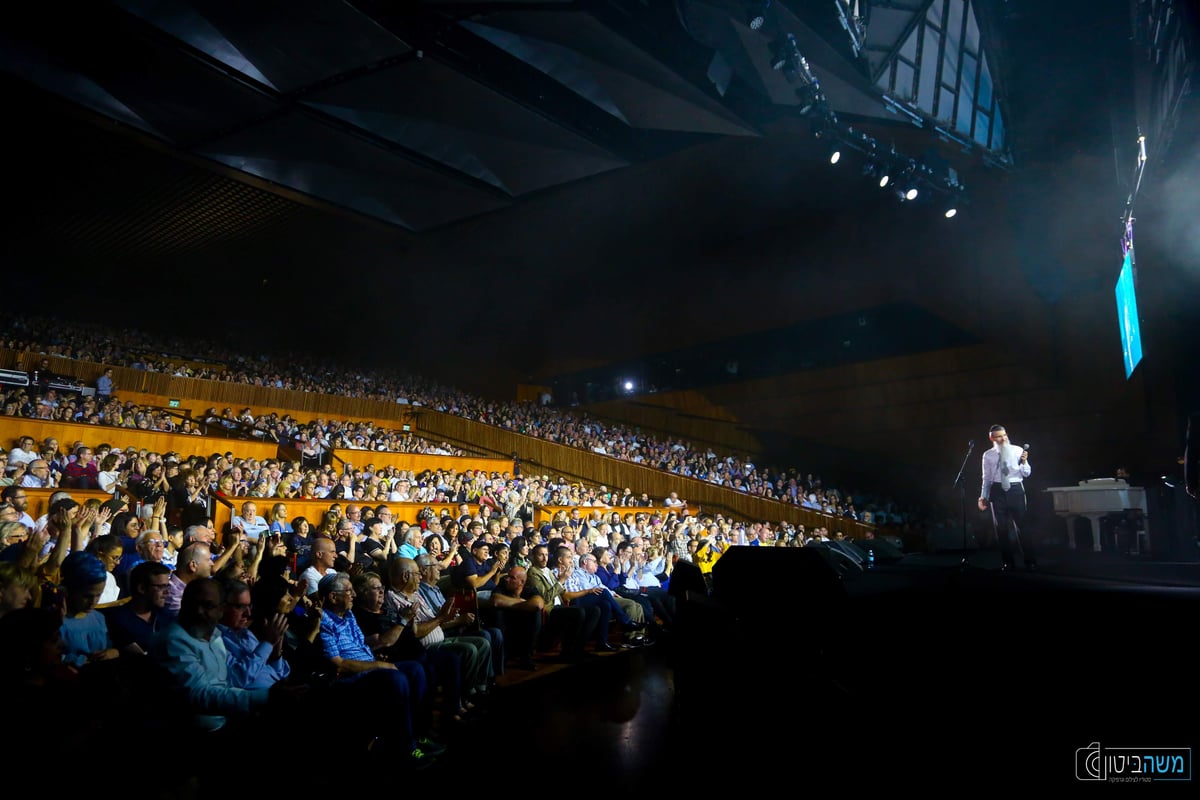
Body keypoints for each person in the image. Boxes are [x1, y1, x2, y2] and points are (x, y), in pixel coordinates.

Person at [977, 424, 1034, 571]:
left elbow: (1026, 474)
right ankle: (1008, 562)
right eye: (998, 436)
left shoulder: (1018, 450)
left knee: (1023, 528)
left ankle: (1030, 561)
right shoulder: (988, 455)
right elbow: (987, 478)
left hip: (1015, 489)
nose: (1003, 439)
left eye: (1004, 435)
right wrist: (983, 496)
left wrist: (1025, 461)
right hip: (997, 490)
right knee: (1001, 530)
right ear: (991, 438)